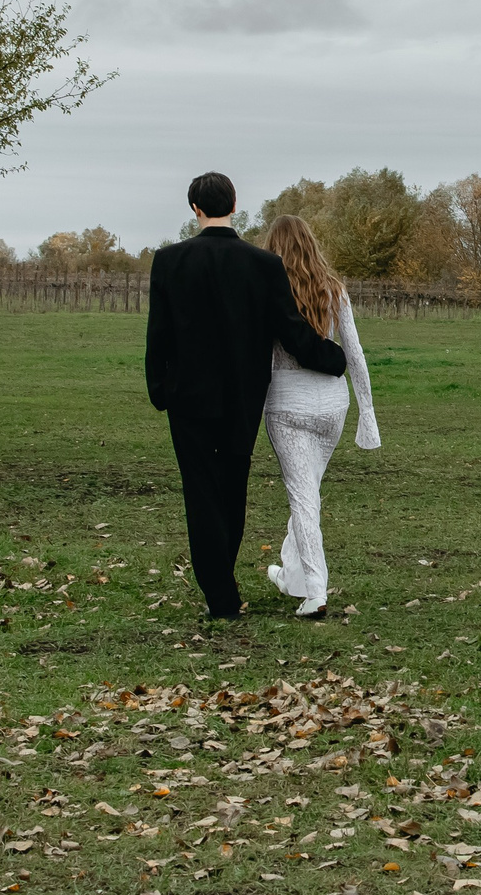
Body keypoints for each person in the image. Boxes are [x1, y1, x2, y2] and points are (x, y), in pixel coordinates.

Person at [145, 172, 348, 619]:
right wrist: (333, 357)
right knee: (232, 485)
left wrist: (158, 388)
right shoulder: (263, 264)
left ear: (195, 208)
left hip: (187, 396)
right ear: (234, 205)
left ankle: (220, 594)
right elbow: (290, 330)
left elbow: (158, 332)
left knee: (200, 490)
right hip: (243, 396)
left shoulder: (169, 261)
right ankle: (224, 580)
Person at [259, 215, 380, 618]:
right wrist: (367, 413)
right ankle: (290, 576)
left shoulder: (268, 289)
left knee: (302, 495)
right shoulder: (333, 288)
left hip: (287, 403)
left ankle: (315, 590)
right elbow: (355, 353)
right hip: (332, 403)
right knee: (308, 489)